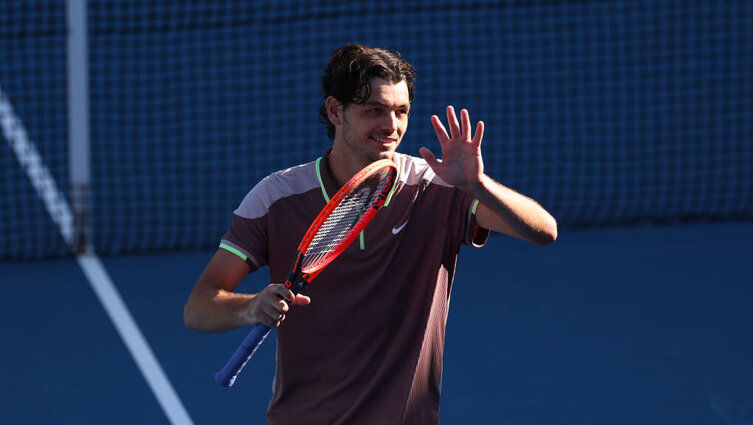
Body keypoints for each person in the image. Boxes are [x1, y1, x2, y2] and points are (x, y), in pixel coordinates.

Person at [184, 43, 557, 424]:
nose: (391, 126)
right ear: (335, 111)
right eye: (374, 111)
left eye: (401, 111)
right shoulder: (276, 198)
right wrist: (250, 307)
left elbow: (544, 231)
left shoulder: (434, 187)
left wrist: (478, 185)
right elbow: (199, 306)